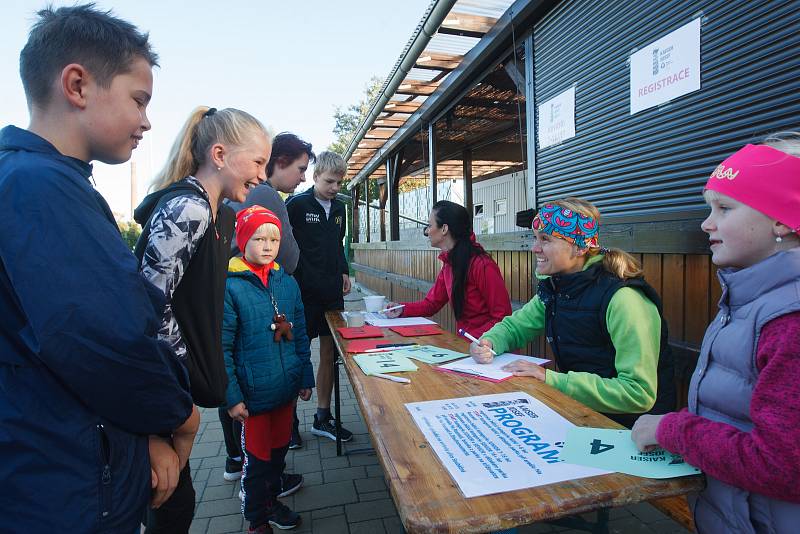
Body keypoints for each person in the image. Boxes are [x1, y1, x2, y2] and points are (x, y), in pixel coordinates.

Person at [0, 5, 193, 532]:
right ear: (78, 85)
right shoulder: (39, 187)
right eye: (139, 99)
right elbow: (100, 340)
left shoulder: (42, 180)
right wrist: (177, 413)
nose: (147, 120)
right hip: (66, 489)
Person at [631, 135, 800, 532]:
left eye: (724, 208)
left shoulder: (788, 319)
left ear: (782, 219)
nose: (707, 223)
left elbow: (783, 465)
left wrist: (670, 429)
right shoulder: (749, 300)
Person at [134, 106, 271, 533]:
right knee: (172, 507)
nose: (262, 176)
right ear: (219, 154)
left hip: (178, 390)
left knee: (179, 503)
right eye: (258, 162)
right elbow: (148, 305)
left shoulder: (220, 215)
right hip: (162, 390)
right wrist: (183, 387)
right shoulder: (188, 210)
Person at [471, 198, 675, 427]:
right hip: (586, 416)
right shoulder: (557, 287)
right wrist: (488, 342)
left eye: (545, 239)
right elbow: (515, 327)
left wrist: (550, 379)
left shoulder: (624, 299)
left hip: (637, 431)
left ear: (579, 247)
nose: (534, 248)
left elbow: (638, 393)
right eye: (534, 238)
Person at [221, 133, 315, 471]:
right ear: (280, 162)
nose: (303, 178)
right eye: (301, 169)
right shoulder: (264, 194)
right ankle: (259, 480)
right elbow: (288, 259)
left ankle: (238, 461)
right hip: (255, 298)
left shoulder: (244, 193)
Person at [223, 206, 314, 533]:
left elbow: (300, 332)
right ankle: (256, 519)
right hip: (254, 399)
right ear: (243, 239)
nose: (267, 245)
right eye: (259, 237)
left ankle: (271, 502)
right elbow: (222, 349)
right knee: (257, 464)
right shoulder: (230, 287)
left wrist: (305, 376)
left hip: (285, 392)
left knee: (276, 457)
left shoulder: (286, 283)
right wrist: (232, 397)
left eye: (273, 239)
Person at [286, 151, 354, 442]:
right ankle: (287, 425)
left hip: (331, 294)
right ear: (315, 177)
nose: (335, 188)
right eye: (329, 181)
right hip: (302, 294)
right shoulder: (296, 205)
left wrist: (344, 271)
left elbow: (338, 245)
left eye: (339, 182)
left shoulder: (339, 209)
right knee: (295, 355)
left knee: (330, 352)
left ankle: (322, 417)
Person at [385, 200, 512, 338]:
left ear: (444, 229)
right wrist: (401, 309)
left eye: (429, 225)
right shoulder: (449, 263)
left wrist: (469, 341)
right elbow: (431, 304)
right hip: (469, 348)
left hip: (490, 351)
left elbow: (502, 318)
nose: (427, 231)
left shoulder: (482, 265)